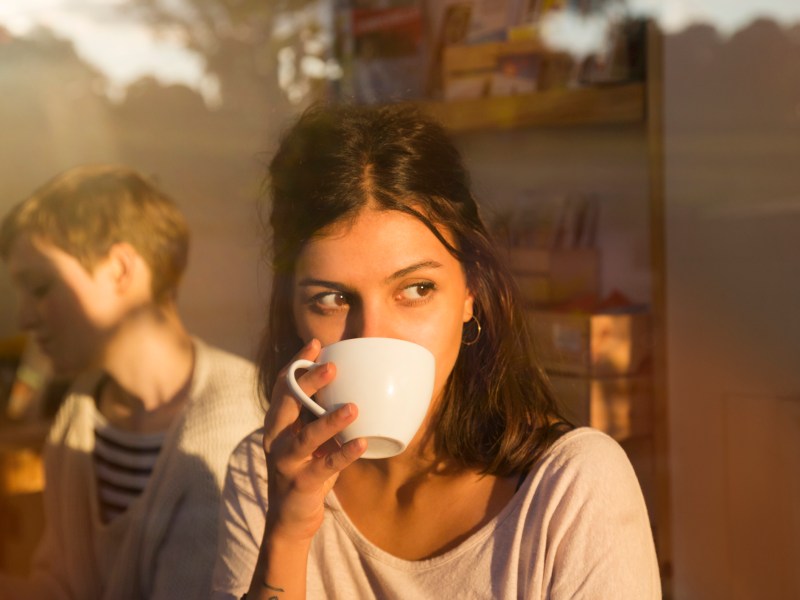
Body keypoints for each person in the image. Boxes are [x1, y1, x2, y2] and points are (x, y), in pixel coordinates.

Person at [211, 104, 661, 599]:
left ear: (470, 293)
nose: (374, 334)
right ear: (293, 314)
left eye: (417, 288)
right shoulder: (265, 477)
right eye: (333, 299)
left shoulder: (570, 489)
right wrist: (288, 534)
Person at [0, 164, 264, 599]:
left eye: (42, 287)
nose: (24, 317)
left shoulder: (236, 424)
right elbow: (62, 585)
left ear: (120, 269)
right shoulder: (83, 408)